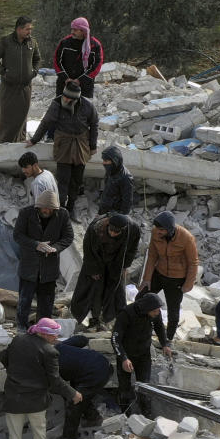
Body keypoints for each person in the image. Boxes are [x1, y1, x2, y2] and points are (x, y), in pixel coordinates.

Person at [0, 318, 81, 439]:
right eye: (54, 335)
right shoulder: (49, 351)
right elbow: (55, 381)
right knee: (39, 429)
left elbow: (3, 356)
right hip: (36, 398)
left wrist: (13, 370)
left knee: (14, 431)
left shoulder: (19, 340)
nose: (56, 338)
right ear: (44, 334)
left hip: (14, 394)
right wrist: (73, 393)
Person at [26, 81, 98, 214]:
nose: (64, 99)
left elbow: (94, 124)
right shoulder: (57, 104)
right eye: (64, 96)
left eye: (68, 98)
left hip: (81, 145)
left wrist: (93, 145)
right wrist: (34, 139)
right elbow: (46, 122)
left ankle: (71, 207)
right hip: (63, 144)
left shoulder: (87, 106)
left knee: (76, 180)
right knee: (63, 179)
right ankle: (61, 209)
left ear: (75, 99)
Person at [13, 191, 74, 330]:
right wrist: (36, 245)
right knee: (25, 300)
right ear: (38, 207)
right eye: (43, 208)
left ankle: (43, 328)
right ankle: (22, 327)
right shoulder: (26, 213)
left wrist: (55, 248)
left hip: (49, 268)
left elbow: (68, 237)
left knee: (46, 303)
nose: (46, 211)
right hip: (29, 266)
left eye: (49, 209)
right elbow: (18, 235)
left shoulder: (62, 215)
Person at [70, 214, 140, 329]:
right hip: (96, 261)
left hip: (116, 263)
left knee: (115, 293)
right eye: (111, 231)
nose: (112, 234)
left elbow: (132, 249)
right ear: (108, 226)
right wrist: (93, 270)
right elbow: (87, 248)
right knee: (93, 291)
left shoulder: (132, 229)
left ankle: (112, 320)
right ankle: (93, 319)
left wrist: (125, 266)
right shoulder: (96, 228)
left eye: (116, 233)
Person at [139, 211, 198, 342]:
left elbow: (193, 263)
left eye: (161, 230)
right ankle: (140, 329)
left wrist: (188, 284)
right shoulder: (155, 233)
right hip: (159, 273)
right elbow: (152, 256)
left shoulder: (186, 238)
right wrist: (147, 278)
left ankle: (168, 340)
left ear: (169, 230)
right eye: (157, 229)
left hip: (177, 278)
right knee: (141, 299)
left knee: (173, 310)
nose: (158, 232)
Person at [112, 292, 171, 413]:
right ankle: (125, 414)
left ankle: (146, 415)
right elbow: (115, 339)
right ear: (147, 309)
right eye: (155, 310)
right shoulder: (126, 314)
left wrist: (164, 344)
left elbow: (159, 327)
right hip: (126, 355)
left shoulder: (155, 314)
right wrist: (123, 358)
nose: (158, 313)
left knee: (145, 387)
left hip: (144, 354)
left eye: (158, 310)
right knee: (124, 388)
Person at [0, 16, 41, 143]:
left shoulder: (32, 42)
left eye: (30, 29)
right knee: (5, 115)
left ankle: (19, 140)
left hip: (25, 87)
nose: (30, 32)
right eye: (27, 29)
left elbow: (37, 59)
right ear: (19, 29)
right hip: (8, 86)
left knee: (22, 115)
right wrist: (3, 72)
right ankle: (0, 141)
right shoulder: (6, 41)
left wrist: (34, 72)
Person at [56, 334, 111, 439]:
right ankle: (93, 417)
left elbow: (57, 384)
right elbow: (82, 339)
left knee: (74, 402)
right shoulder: (59, 347)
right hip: (95, 365)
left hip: (96, 371)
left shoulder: (50, 363)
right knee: (80, 396)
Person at [52, 17, 104, 99]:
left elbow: (97, 65)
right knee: (62, 109)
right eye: (72, 29)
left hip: (85, 85)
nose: (72, 32)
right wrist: (65, 78)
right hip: (65, 83)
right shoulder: (65, 42)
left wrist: (81, 80)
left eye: (75, 30)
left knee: (83, 109)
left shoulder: (95, 45)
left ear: (83, 31)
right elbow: (56, 60)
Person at [98, 145, 134, 215]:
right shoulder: (111, 170)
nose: (103, 163)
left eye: (106, 161)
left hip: (114, 214)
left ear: (114, 161)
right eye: (103, 160)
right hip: (104, 209)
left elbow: (127, 203)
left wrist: (118, 219)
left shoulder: (126, 177)